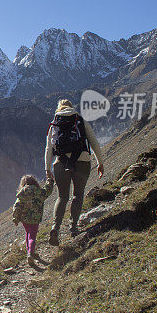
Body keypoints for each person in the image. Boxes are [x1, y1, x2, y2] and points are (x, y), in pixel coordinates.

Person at [45, 99, 104, 245]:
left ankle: (55, 227)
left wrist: (47, 168)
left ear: (59, 108)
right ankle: (73, 228)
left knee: (62, 197)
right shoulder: (79, 120)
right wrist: (100, 162)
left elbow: (49, 148)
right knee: (78, 195)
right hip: (82, 162)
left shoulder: (55, 123)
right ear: (71, 108)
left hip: (60, 163)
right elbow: (94, 142)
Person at [12, 174, 54, 267]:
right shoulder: (39, 191)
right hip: (35, 218)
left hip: (24, 219)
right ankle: (30, 253)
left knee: (28, 233)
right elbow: (47, 191)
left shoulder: (22, 193)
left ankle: (30, 252)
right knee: (32, 236)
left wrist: (15, 218)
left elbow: (17, 206)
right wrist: (50, 181)